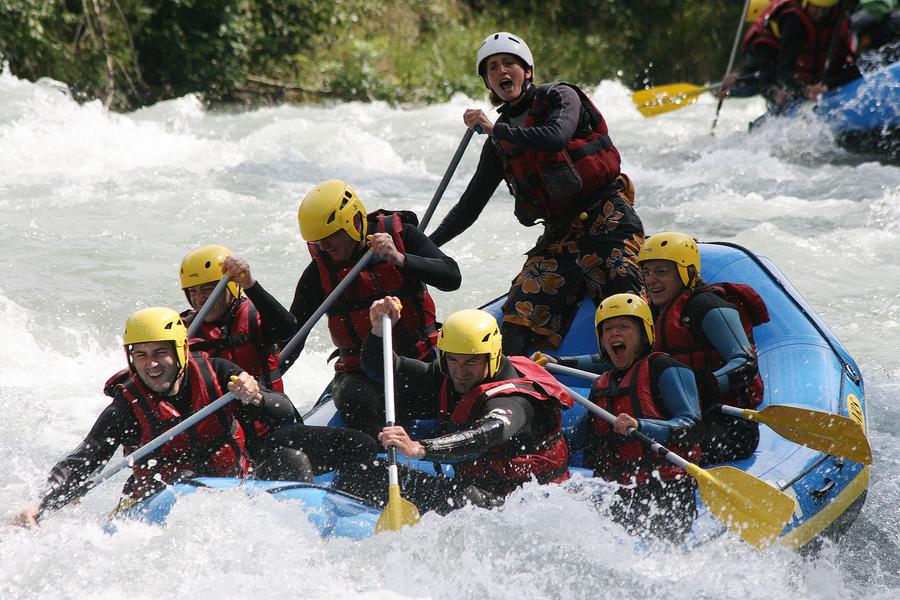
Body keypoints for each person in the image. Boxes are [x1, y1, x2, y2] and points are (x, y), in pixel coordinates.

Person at [428, 32, 644, 356]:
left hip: (608, 220)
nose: (502, 71)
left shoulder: (560, 96)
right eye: (493, 68)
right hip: (560, 238)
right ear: (488, 82)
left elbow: (556, 137)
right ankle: (530, 397)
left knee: (625, 311)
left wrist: (494, 128)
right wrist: (422, 246)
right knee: (517, 322)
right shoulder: (498, 144)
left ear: (527, 71)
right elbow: (468, 208)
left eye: (509, 63)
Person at [12, 307, 299, 527]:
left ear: (182, 352)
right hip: (165, 501)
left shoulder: (220, 375)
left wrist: (257, 397)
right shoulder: (126, 408)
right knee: (186, 481)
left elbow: (285, 414)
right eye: (140, 355)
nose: (151, 364)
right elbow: (85, 458)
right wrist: (42, 503)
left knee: (291, 460)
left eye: (160, 352)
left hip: (236, 488)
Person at [339, 298, 573, 515]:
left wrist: (420, 448)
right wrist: (379, 330)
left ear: (492, 355)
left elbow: (486, 435)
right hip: (476, 489)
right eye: (453, 360)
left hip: (526, 506)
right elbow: (384, 369)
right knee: (364, 470)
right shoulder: (449, 376)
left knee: (464, 498)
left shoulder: (515, 399)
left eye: (471, 361)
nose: (460, 372)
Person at [286, 179, 461, 436]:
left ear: (353, 223)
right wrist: (265, 379)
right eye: (317, 241)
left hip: (418, 360)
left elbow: (452, 277)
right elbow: (294, 338)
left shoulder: (403, 238)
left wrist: (400, 259)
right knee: (357, 399)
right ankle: (374, 458)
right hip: (361, 374)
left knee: (454, 389)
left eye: (329, 238)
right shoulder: (317, 274)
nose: (323, 247)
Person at [576, 293, 702, 543]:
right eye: (608, 329)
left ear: (644, 333)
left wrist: (642, 426)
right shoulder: (603, 384)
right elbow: (582, 436)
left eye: (624, 327)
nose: (614, 334)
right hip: (617, 491)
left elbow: (692, 427)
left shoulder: (664, 369)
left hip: (666, 490)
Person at [636, 232, 769, 465]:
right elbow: (626, 358)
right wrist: (562, 364)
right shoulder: (654, 312)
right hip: (676, 419)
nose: (651, 280)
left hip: (726, 422)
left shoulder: (710, 308)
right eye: (647, 272)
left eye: (662, 271)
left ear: (686, 272)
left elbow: (746, 364)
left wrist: (705, 384)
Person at [724, 0, 861, 108]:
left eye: (824, 10)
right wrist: (802, 90)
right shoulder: (791, 23)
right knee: (764, 83)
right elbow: (775, 76)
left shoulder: (838, 17)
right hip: (779, 71)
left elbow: (852, 64)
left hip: (814, 75)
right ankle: (732, 90)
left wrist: (825, 86)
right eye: (816, 8)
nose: (819, 14)